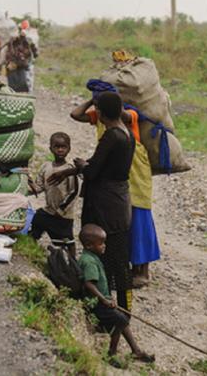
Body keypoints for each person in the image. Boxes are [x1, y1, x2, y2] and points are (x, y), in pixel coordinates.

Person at [49, 92, 135, 312]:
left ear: (101, 113)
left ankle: (101, 308)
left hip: (104, 204)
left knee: (98, 256)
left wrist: (80, 165)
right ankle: (124, 310)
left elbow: (94, 170)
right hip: (120, 201)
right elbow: (108, 166)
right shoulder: (127, 133)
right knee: (120, 260)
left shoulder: (111, 136)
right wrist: (73, 170)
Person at [71, 82, 160, 288]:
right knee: (121, 235)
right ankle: (122, 284)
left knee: (139, 219)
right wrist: (95, 101)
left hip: (127, 180)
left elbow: (92, 171)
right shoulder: (122, 131)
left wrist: (109, 102)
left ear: (104, 111)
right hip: (121, 187)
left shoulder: (121, 127)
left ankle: (136, 273)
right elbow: (75, 114)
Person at [78, 224, 155, 366]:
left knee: (122, 318)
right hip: (96, 304)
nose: (104, 246)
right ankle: (111, 354)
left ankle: (136, 351)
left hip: (102, 301)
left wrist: (108, 298)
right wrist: (104, 300)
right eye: (101, 244)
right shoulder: (89, 262)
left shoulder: (92, 257)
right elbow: (89, 284)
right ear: (89, 245)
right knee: (120, 321)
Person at [29, 132, 80, 257]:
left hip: (63, 215)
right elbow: (40, 186)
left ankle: (73, 265)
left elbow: (73, 192)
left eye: (64, 147)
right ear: (51, 148)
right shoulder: (46, 166)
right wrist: (30, 186)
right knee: (37, 219)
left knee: (67, 241)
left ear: (69, 148)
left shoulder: (69, 170)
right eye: (57, 147)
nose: (60, 150)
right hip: (49, 210)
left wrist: (61, 209)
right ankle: (31, 248)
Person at [3, 27, 38, 92]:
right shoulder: (14, 41)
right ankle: (19, 92)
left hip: (19, 64)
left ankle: (17, 92)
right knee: (18, 80)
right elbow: (9, 53)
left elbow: (34, 53)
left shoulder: (27, 42)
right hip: (17, 63)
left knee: (19, 80)